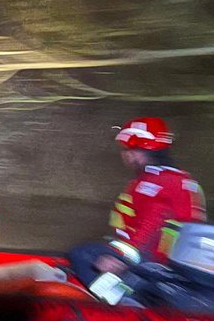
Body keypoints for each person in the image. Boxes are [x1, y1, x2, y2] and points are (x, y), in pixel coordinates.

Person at [67, 116, 205, 294]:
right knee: (90, 254)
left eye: (127, 149)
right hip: (160, 259)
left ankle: (115, 300)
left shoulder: (158, 184)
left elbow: (150, 226)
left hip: (155, 264)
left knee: (81, 254)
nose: (124, 154)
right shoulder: (167, 179)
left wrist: (118, 258)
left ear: (138, 151)